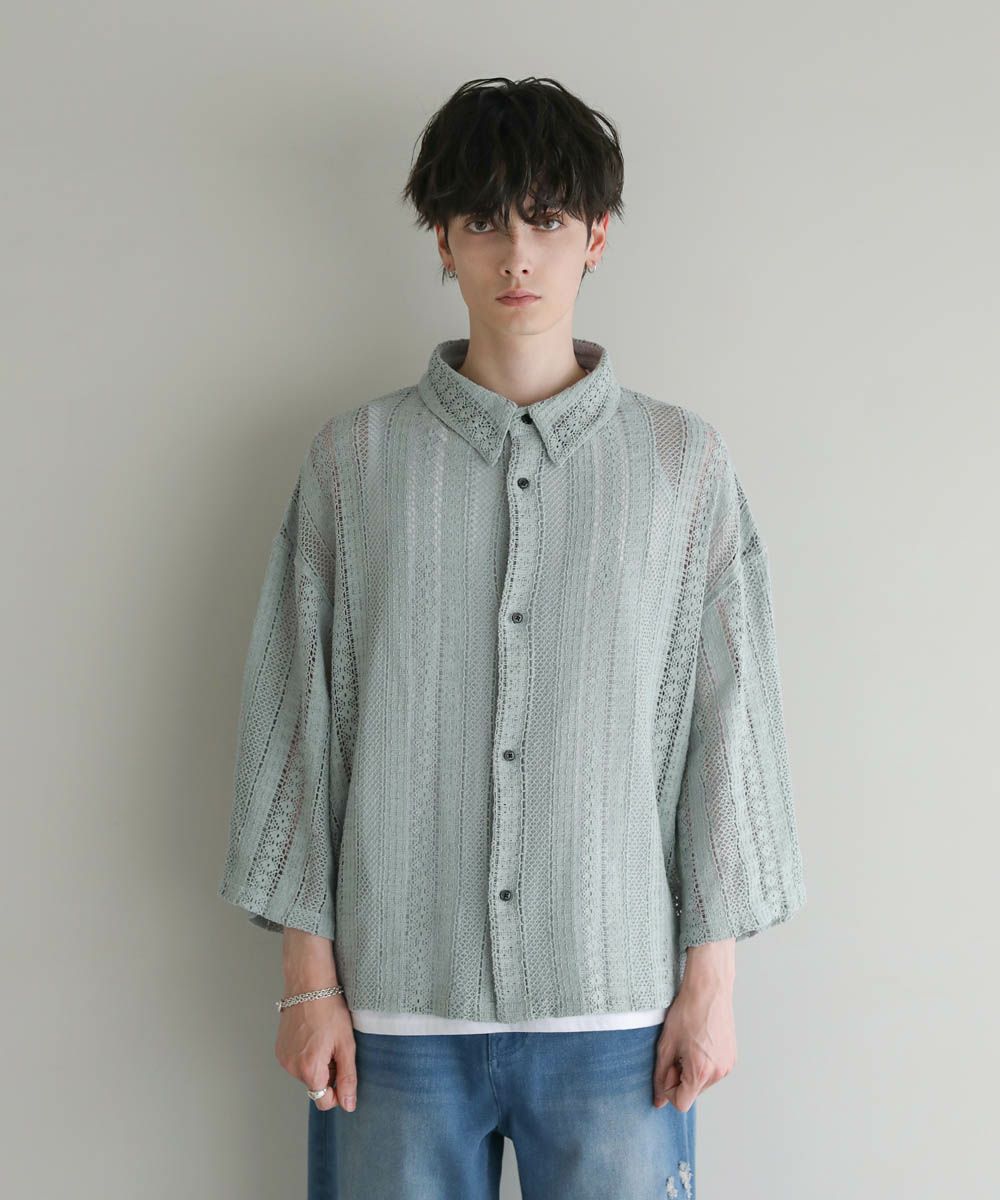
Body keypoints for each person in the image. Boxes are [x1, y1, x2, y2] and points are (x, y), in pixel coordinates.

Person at [218, 75, 807, 1200]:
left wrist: (711, 985)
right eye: (485, 221)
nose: (518, 254)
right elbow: (295, 721)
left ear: (597, 236)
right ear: (443, 241)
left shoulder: (682, 466)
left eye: (546, 218)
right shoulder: (354, 462)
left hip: (616, 1013)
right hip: (392, 1011)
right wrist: (308, 983)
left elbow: (729, 731)